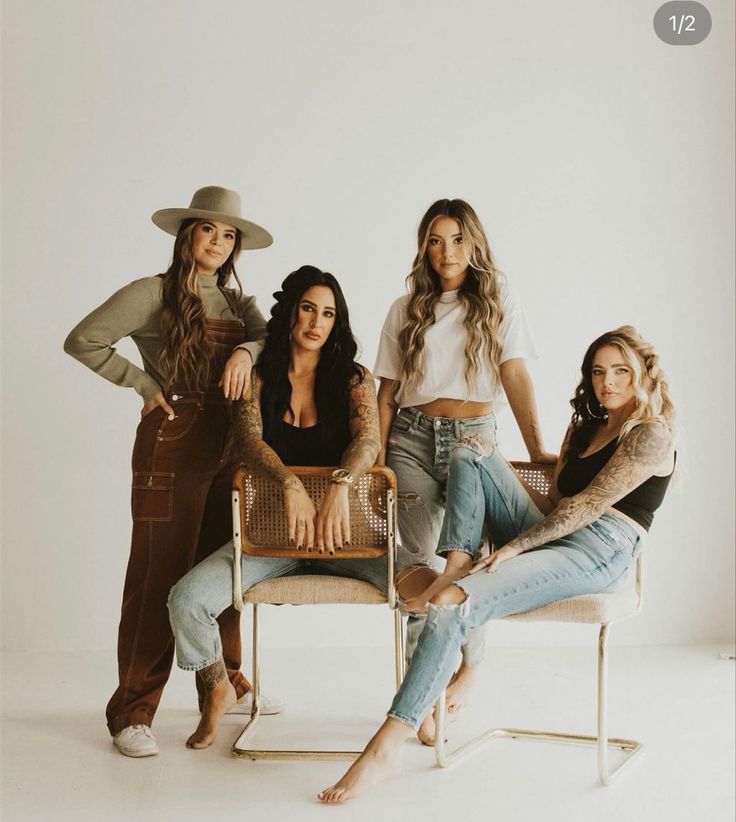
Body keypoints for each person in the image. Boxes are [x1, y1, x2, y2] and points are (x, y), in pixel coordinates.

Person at [319, 325, 676, 803]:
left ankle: (385, 748)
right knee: (472, 450)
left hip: (600, 548)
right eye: (597, 371)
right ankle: (457, 563)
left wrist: (515, 547)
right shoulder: (586, 426)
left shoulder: (651, 434)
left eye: (619, 371)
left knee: (449, 605)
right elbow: (555, 502)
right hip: (557, 534)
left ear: (642, 374)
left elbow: (587, 507)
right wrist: (502, 495)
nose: (606, 382)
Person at [64, 186, 273, 757]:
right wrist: (143, 383)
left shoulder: (238, 304)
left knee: (225, 571)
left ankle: (227, 684)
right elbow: (83, 339)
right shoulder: (150, 292)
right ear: (187, 236)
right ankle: (133, 710)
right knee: (158, 575)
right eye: (208, 229)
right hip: (171, 444)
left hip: (229, 446)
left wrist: (244, 353)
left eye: (228, 235)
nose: (218, 241)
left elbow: (272, 336)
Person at [168, 265, 409, 749]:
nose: (316, 322)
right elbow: (248, 439)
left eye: (328, 313)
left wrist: (339, 486)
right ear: (290, 312)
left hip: (352, 537)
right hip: (270, 537)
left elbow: (367, 440)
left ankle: (414, 708)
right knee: (186, 600)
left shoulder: (354, 378)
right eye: (307, 308)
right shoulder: (259, 376)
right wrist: (289, 485)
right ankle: (218, 688)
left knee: (429, 593)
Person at [373, 198, 555, 741]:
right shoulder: (404, 309)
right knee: (415, 566)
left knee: (467, 565)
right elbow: (385, 393)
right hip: (409, 440)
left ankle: (468, 670)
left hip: (474, 440)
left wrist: (537, 447)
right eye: (435, 239)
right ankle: (421, 701)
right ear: (423, 247)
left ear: (473, 244)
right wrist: (379, 463)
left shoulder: (499, 300)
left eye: (456, 239)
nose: (446, 251)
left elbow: (515, 374)